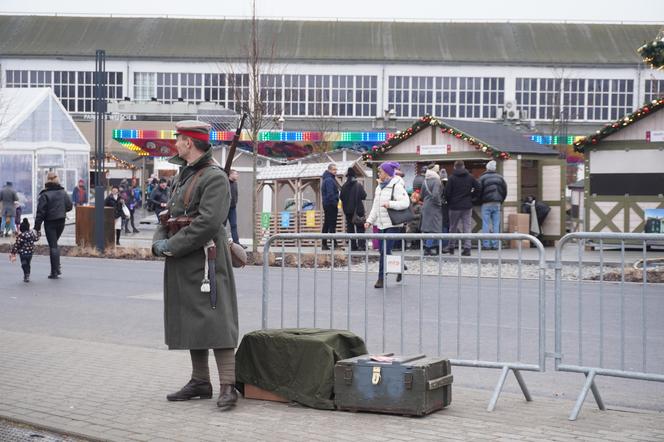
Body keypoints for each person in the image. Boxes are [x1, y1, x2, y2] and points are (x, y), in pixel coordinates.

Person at [152, 120, 239, 410]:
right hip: (183, 258)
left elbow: (208, 222)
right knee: (192, 317)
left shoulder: (213, 177)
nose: (175, 142)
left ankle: (228, 384)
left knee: (217, 317)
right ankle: (201, 381)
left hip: (206, 258)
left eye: (178, 138)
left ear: (189, 142)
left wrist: (171, 246)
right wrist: (158, 241)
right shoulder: (184, 175)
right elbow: (168, 214)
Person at [364, 161, 410, 289]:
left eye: (381, 171)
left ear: (387, 173)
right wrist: (369, 220)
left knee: (384, 252)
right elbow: (375, 206)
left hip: (393, 224)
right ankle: (400, 267)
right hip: (381, 224)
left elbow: (405, 203)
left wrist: (390, 204)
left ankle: (381, 278)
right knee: (385, 251)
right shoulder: (379, 187)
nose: (379, 173)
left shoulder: (397, 186)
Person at [34, 172, 73, 279]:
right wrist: (61, 210)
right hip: (61, 221)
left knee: (53, 246)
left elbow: (40, 213)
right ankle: (57, 268)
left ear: (47, 181)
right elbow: (70, 206)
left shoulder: (44, 195)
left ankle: (55, 272)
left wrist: (36, 228)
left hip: (50, 222)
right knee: (55, 244)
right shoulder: (63, 192)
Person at [443, 160, 479, 256]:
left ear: (455, 167)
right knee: (467, 227)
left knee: (453, 227)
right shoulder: (470, 177)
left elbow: (447, 193)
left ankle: (451, 247)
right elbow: (478, 188)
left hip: (454, 206)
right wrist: (472, 198)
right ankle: (467, 248)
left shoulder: (451, 178)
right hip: (467, 205)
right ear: (464, 166)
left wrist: (449, 201)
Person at [477, 160, 507, 250]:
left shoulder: (482, 178)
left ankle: (486, 245)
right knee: (496, 224)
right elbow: (504, 191)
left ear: (487, 168)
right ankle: (495, 244)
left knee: (486, 224)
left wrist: (478, 200)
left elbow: (478, 191)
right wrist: (501, 200)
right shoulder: (500, 178)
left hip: (486, 203)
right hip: (497, 203)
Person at [339, 167, 367, 251]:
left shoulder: (343, 186)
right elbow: (364, 196)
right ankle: (361, 246)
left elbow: (341, 197)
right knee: (360, 228)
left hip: (347, 211)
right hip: (358, 210)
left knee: (350, 229)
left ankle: (353, 246)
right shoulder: (358, 185)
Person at [420, 164, 443, 255]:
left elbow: (421, 195)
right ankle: (430, 248)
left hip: (426, 206)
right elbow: (435, 194)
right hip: (434, 207)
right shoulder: (437, 181)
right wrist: (439, 203)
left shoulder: (425, 181)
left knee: (427, 228)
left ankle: (427, 246)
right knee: (434, 228)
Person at [9, 218, 40, 283]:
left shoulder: (21, 236)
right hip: (30, 253)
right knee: (28, 264)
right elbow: (36, 238)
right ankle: (27, 274)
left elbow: (17, 245)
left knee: (24, 264)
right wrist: (38, 233)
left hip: (23, 254)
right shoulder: (31, 234)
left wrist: (13, 252)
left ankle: (26, 274)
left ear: (21, 229)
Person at [320, 163, 339, 250]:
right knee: (331, 224)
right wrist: (335, 203)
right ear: (329, 170)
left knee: (327, 224)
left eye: (336, 170)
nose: (335, 171)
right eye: (334, 170)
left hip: (327, 204)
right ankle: (333, 243)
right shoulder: (329, 180)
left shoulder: (327, 179)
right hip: (330, 205)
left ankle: (325, 243)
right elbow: (331, 194)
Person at [224, 169, 242, 246]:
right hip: (224, 208)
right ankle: (221, 242)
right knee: (222, 226)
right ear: (230, 174)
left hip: (232, 208)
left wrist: (235, 203)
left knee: (234, 225)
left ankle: (236, 243)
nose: (237, 176)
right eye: (235, 174)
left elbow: (236, 194)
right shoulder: (225, 183)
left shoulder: (235, 184)